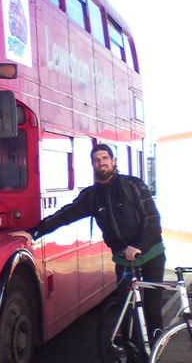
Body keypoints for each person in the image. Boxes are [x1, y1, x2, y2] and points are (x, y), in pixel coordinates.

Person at [18, 143, 165, 340]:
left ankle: (156, 345)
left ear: (113, 161)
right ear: (92, 165)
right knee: (127, 309)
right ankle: (135, 353)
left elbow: (152, 220)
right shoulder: (92, 196)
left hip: (151, 253)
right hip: (124, 260)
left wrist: (139, 246)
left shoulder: (133, 185)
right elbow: (64, 215)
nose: (101, 163)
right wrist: (34, 232)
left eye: (105, 159)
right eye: (96, 160)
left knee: (152, 308)